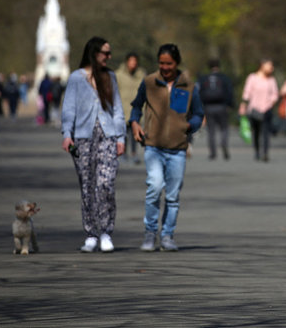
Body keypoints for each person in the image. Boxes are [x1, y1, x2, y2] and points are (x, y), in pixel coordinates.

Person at [130, 44, 204, 252]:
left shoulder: (189, 85)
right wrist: (135, 123)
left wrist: (190, 125)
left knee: (172, 196)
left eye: (169, 63)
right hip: (153, 146)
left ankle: (167, 235)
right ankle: (150, 233)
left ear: (176, 63)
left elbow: (198, 113)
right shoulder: (149, 82)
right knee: (154, 187)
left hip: (178, 149)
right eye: (161, 63)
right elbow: (136, 106)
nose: (164, 67)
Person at [61, 37, 126, 253]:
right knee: (87, 185)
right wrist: (67, 134)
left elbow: (117, 108)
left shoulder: (110, 77)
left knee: (106, 184)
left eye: (109, 53)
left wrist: (120, 138)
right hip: (82, 138)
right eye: (105, 53)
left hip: (107, 136)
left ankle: (106, 232)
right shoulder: (76, 79)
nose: (109, 57)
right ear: (94, 53)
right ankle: (91, 233)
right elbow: (69, 107)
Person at [239, 59, 279, 162]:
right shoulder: (252, 78)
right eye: (269, 66)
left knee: (265, 132)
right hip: (254, 109)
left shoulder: (271, 80)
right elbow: (247, 92)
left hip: (267, 109)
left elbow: (275, 94)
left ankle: (265, 153)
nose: (271, 68)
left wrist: (271, 102)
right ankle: (257, 151)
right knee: (256, 132)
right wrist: (243, 105)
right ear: (262, 66)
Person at [198, 58, 234, 160]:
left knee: (211, 130)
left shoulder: (204, 78)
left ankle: (213, 152)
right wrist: (230, 105)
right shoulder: (224, 78)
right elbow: (229, 92)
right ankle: (224, 143)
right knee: (224, 128)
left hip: (208, 107)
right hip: (222, 106)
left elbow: (199, 93)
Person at [115, 52, 147, 163]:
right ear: (127, 62)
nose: (133, 64)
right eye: (131, 61)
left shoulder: (141, 75)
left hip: (136, 108)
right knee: (123, 133)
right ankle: (123, 152)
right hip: (122, 108)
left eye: (135, 61)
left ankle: (134, 153)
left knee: (135, 132)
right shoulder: (118, 75)